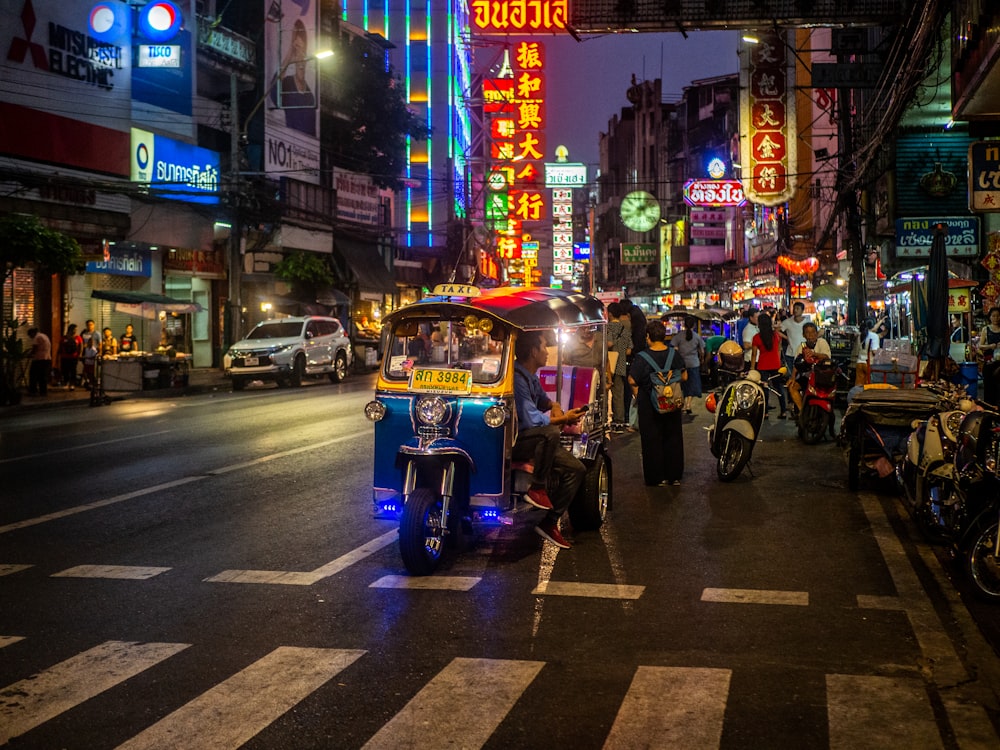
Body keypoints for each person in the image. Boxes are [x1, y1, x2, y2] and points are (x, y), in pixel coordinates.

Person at [512, 330, 587, 549]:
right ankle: (537, 488)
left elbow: (544, 400)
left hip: (537, 441)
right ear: (533, 351)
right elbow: (531, 420)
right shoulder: (518, 379)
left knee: (577, 469)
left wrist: (555, 407)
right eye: (544, 347)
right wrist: (564, 418)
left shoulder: (530, 376)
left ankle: (550, 522)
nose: (547, 352)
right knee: (551, 432)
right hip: (520, 441)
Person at [628, 320, 687, 486]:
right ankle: (673, 476)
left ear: (648, 337)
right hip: (672, 403)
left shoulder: (642, 357)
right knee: (673, 437)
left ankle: (656, 477)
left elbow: (632, 380)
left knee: (652, 440)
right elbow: (684, 376)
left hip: (649, 405)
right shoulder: (673, 354)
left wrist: (638, 393)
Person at [276, 19, 317, 136]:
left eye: (302, 48)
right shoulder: (288, 83)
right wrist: (290, 55)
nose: (300, 54)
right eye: (296, 47)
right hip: (287, 144)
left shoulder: (310, 97)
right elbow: (274, 88)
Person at [788, 322, 833, 413]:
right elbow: (796, 365)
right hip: (807, 378)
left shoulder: (822, 342)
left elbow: (826, 356)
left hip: (821, 378)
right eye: (807, 333)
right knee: (792, 387)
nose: (810, 335)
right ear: (803, 335)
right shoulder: (801, 347)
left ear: (816, 333)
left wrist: (814, 354)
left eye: (812, 332)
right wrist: (792, 377)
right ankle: (802, 412)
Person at [750, 311, 788, 419]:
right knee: (779, 388)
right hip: (776, 365)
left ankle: (765, 413)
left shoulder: (756, 337)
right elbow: (779, 350)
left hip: (763, 366)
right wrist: (779, 362)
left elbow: (753, 355)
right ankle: (783, 411)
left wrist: (752, 368)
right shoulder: (776, 336)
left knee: (764, 390)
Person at [671, 315, 705, 415]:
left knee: (681, 385)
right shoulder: (697, 336)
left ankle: (682, 404)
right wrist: (701, 359)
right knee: (692, 385)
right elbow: (702, 350)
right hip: (694, 363)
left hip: (682, 364)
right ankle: (688, 404)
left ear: (684, 325)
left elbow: (674, 348)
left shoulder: (679, 336)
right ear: (693, 325)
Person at [605, 302, 632, 429]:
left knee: (604, 392)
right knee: (619, 394)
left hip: (609, 363)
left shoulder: (608, 327)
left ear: (609, 314)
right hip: (621, 363)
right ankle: (619, 421)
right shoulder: (624, 328)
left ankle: (604, 419)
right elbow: (629, 350)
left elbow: (609, 344)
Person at [980, 306, 1000, 406]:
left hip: (999, 363)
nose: (996, 318)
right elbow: (980, 346)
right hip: (989, 363)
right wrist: (989, 346)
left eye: (997, 316)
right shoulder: (985, 329)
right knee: (989, 387)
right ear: (990, 317)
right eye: (994, 316)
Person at [27, 327, 51, 396]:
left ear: (32, 333)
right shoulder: (44, 336)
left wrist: (29, 354)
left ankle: (33, 391)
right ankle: (43, 391)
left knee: (33, 375)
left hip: (39, 359)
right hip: (47, 358)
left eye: (30, 335)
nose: (30, 337)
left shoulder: (37, 337)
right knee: (43, 376)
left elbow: (35, 348)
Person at [855, 318, 880, 385]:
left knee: (859, 386)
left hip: (859, 363)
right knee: (868, 386)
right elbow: (875, 352)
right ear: (873, 326)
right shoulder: (874, 336)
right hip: (869, 364)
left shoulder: (860, 335)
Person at [59, 323, 81, 390]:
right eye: (74, 329)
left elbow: (80, 346)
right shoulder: (64, 337)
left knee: (73, 371)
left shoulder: (78, 338)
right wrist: (59, 355)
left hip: (74, 357)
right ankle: (66, 382)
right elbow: (60, 346)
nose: (75, 331)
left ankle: (72, 384)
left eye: (76, 329)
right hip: (65, 357)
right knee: (65, 370)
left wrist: (79, 355)